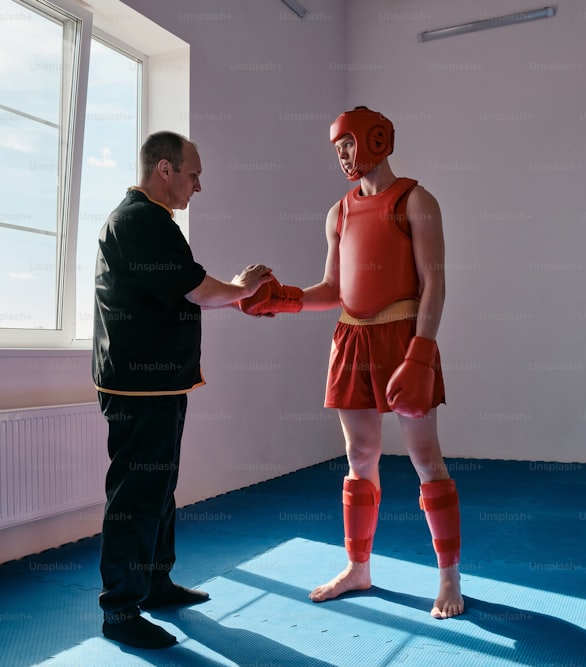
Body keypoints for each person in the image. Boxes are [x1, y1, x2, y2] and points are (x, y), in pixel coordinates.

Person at [239, 106, 464, 619]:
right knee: (360, 457)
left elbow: (435, 284)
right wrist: (284, 298)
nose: (342, 156)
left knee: (425, 458)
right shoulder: (337, 213)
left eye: (348, 144)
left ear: (377, 139)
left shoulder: (416, 200)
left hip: (403, 335)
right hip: (352, 339)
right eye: (336, 149)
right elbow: (334, 290)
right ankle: (359, 568)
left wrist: (421, 352)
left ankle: (449, 578)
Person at [92, 131, 272, 648]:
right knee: (137, 494)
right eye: (193, 174)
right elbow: (195, 288)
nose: (198, 185)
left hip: (157, 384)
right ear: (165, 169)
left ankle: (153, 582)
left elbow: (180, 291)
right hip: (139, 387)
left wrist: (235, 289)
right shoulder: (141, 221)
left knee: (159, 489)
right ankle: (120, 610)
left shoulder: (151, 222)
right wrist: (243, 289)